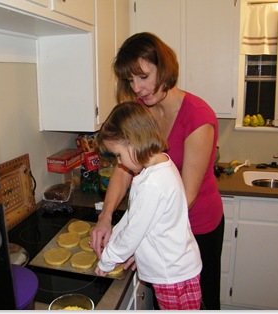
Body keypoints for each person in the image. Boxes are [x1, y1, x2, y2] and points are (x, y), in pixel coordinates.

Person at [90, 32, 224, 310]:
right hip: (157, 223)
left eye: (143, 76)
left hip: (193, 229)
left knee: (204, 302)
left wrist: (148, 242)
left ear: (163, 68)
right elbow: (124, 169)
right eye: (130, 80)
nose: (137, 88)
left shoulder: (198, 118)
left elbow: (183, 197)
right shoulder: (141, 113)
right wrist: (106, 217)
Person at [94, 101, 202, 310]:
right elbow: (134, 216)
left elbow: (134, 232)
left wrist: (107, 261)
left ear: (133, 141)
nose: (120, 163)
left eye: (118, 154)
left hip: (173, 275)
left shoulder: (154, 183)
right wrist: (114, 237)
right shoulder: (157, 168)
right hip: (173, 270)